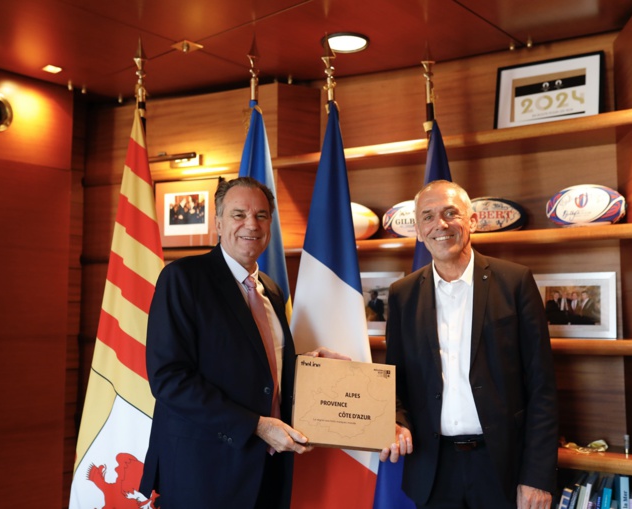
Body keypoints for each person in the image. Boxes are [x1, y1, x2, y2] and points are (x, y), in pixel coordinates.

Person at [139, 177, 348, 509]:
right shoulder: (183, 279)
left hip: (268, 466)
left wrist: (310, 366)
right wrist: (257, 426)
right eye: (239, 214)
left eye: (262, 216)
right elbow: (169, 379)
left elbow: (261, 367)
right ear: (218, 223)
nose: (251, 224)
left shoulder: (271, 289)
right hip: (204, 470)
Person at [380, 180, 559, 509]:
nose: (441, 225)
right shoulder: (402, 294)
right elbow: (395, 380)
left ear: (473, 221)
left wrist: (536, 475)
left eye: (451, 213)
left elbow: (542, 387)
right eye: (428, 217)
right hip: (433, 470)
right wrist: (396, 420)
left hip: (502, 467)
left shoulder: (515, 282)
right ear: (418, 230)